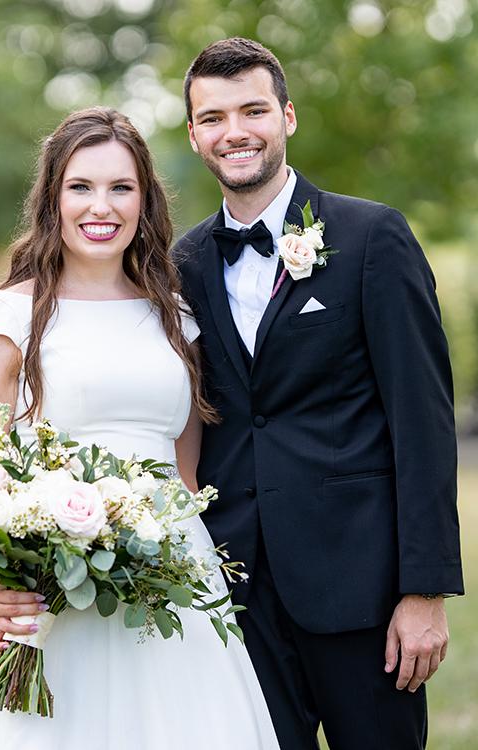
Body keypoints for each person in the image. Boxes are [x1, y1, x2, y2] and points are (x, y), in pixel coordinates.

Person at [0, 107, 280, 749]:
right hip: (44, 598)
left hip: (168, 591)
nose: (103, 206)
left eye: (122, 187)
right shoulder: (3, 321)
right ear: (52, 199)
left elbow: (185, 476)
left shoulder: (176, 319)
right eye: (81, 186)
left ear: (144, 199)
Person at [174, 37, 464, 750]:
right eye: (213, 118)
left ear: (288, 117)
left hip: (363, 592)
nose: (234, 131)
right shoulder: (179, 264)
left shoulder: (372, 238)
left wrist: (424, 593)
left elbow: (423, 421)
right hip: (235, 594)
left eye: (252, 110)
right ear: (193, 135)